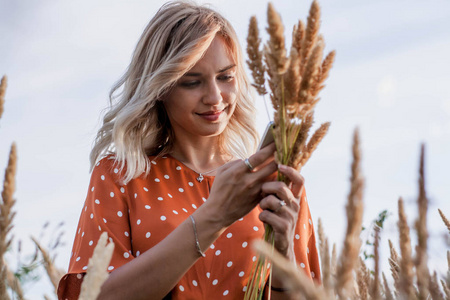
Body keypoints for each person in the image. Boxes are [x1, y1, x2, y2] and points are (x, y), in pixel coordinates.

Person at [57, 1, 320, 299]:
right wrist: (215, 216)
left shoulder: (271, 181)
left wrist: (282, 256)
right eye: (192, 82)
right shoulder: (121, 175)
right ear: (160, 89)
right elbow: (93, 295)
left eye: (225, 77)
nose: (214, 97)